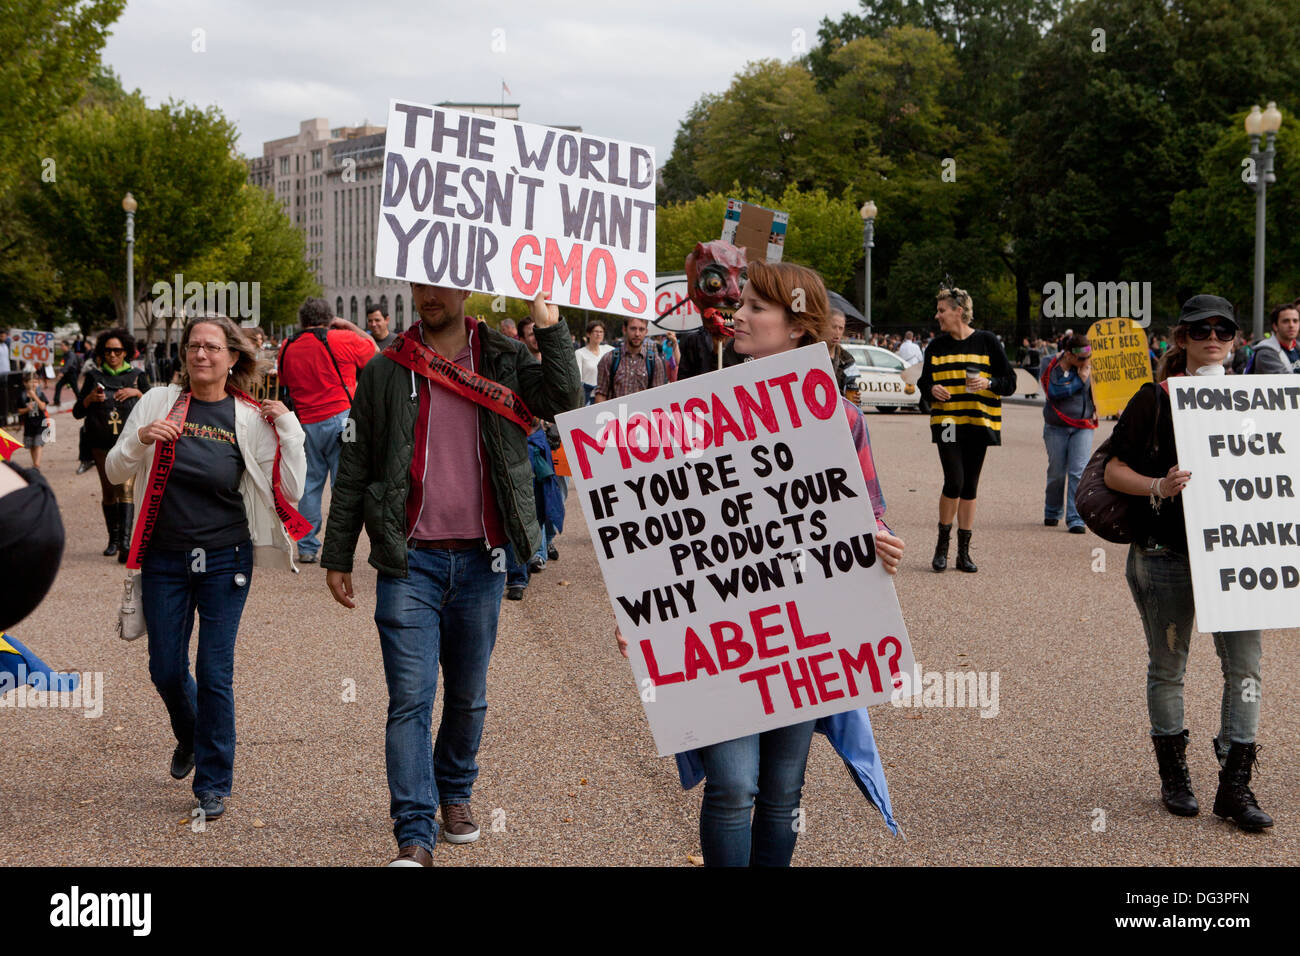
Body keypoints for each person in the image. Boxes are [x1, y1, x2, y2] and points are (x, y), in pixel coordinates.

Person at [615, 261, 905, 866]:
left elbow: (868, 508)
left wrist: (879, 539)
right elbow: (666, 522)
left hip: (802, 631)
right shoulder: (698, 414)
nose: (737, 315)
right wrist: (640, 607)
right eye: (739, 304)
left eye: (755, 308)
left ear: (798, 327)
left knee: (781, 791)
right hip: (720, 630)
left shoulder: (841, 418)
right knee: (732, 785)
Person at [321, 285, 581, 867]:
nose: (426, 296)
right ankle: (414, 829)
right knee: (409, 699)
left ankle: (456, 793)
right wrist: (337, 552)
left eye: (438, 284)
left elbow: (563, 396)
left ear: (464, 287)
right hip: (408, 560)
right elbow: (357, 462)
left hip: (484, 557)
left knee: (468, 697)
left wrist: (550, 323)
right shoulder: (386, 368)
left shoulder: (506, 357)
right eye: (418, 285)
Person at [106, 315, 306, 822]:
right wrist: (142, 439)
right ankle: (190, 735)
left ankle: (213, 782)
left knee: (214, 671)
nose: (201, 355)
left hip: (225, 558)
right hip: (164, 557)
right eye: (193, 346)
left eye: (212, 348)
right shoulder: (155, 402)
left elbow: (291, 489)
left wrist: (289, 428)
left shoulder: (249, 416)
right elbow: (114, 469)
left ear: (232, 357)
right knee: (165, 667)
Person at [1102, 294, 1271, 831]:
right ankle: (1174, 776)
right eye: (1202, 330)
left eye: (1225, 329)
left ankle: (1235, 784)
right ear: (1182, 339)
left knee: (1246, 669)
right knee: (1169, 666)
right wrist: (1158, 485)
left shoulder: (1258, 400)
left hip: (1237, 554)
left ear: (1237, 339)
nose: (1214, 338)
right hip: (1166, 552)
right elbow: (1111, 470)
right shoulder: (1154, 399)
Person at [916, 287, 1016, 573]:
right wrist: (931, 389)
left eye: (942, 310)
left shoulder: (987, 341)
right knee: (954, 480)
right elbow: (924, 383)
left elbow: (1009, 382)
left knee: (970, 485)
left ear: (958, 311)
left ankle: (963, 553)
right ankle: (942, 547)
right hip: (947, 422)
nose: (937, 316)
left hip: (979, 422)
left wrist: (989, 383)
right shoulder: (936, 346)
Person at [277, 297, 377, 563]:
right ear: (329, 317)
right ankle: (340, 547)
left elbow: (284, 381)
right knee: (344, 485)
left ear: (302, 320)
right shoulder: (339, 339)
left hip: (305, 422)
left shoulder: (287, 346)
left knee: (310, 485)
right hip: (344, 420)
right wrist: (346, 324)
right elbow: (373, 350)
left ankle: (307, 547)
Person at [73, 328, 151, 561]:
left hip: (128, 443)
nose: (112, 355)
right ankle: (113, 540)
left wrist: (137, 392)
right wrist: (89, 399)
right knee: (109, 491)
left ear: (126, 351)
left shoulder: (137, 375)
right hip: (100, 444)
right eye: (108, 351)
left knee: (125, 489)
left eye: (117, 350)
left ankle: (126, 544)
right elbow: (78, 411)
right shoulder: (93, 377)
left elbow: (154, 405)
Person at [1040, 333, 1097, 532]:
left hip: (1083, 425)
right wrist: (1079, 381)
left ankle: (1075, 518)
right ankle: (1052, 510)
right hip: (1056, 426)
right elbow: (1053, 393)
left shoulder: (1091, 365)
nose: (1085, 362)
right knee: (1056, 471)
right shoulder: (1050, 363)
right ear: (1069, 354)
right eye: (1081, 359)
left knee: (1078, 472)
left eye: (1087, 358)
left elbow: (1100, 392)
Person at [593, 316, 666, 403]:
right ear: (624, 329)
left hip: (643, 415)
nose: (637, 334)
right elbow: (601, 393)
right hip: (614, 414)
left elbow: (657, 397)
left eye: (641, 329)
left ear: (646, 332)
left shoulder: (654, 361)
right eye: (633, 329)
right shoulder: (609, 358)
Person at [1247, 302, 1300, 374]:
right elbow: (1285, 382)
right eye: (1286, 321)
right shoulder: (1265, 353)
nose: (1291, 325)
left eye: (1295, 321)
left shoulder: (1297, 347)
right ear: (1275, 326)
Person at [575, 319, 614, 405]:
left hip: (606, 397)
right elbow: (578, 379)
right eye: (596, 331)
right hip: (589, 398)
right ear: (588, 334)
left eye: (601, 332)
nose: (598, 334)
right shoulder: (579, 353)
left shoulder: (608, 349)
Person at [18, 373, 50, 470]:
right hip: (29, 424)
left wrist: (34, 396)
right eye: (32, 381)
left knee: (38, 444)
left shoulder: (40, 394)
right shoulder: (22, 396)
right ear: (25, 383)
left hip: (41, 423)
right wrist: (27, 409)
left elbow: (43, 407)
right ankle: (34, 463)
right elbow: (19, 410)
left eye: (36, 382)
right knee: (31, 445)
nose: (34, 384)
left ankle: (36, 465)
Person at [826, 308, 856, 391]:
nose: (837, 332)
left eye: (841, 328)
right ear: (823, 326)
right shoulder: (810, 352)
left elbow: (851, 384)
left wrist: (854, 398)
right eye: (833, 327)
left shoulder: (847, 359)